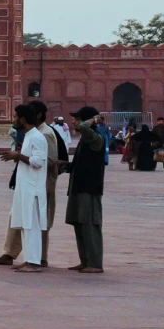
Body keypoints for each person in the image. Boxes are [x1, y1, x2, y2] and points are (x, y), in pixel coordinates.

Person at [4, 100, 52, 270]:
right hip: (26, 188)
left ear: (23, 119)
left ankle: (33, 262)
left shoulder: (37, 137)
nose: (14, 119)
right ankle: (30, 259)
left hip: (33, 189)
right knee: (25, 224)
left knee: (31, 226)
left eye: (16, 116)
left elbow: (38, 161)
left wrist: (17, 155)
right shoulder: (29, 136)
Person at [65, 106, 107, 273]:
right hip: (79, 187)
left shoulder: (96, 138)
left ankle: (95, 264)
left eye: (77, 119)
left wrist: (94, 119)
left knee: (90, 224)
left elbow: (83, 127)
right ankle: (86, 261)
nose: (74, 122)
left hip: (89, 189)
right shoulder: (85, 139)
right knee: (80, 224)